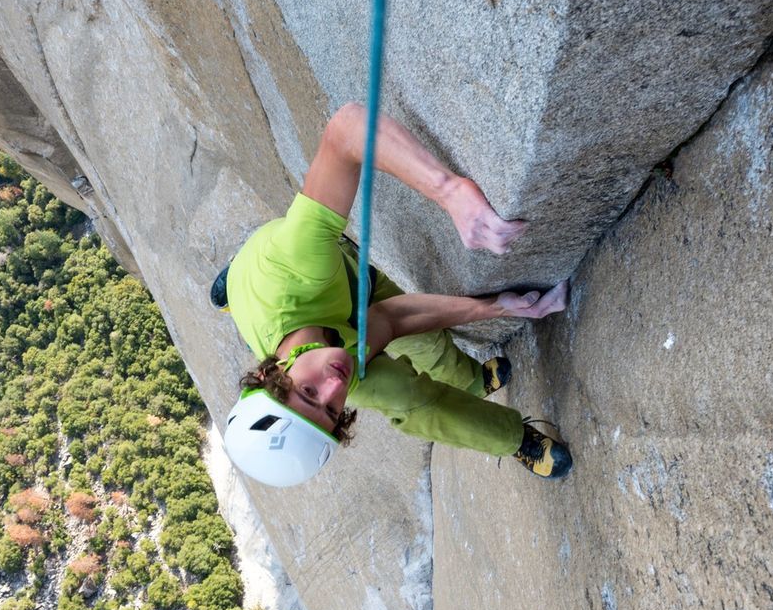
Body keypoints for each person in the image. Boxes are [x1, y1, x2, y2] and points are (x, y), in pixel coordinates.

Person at [217, 102, 571, 487]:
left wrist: (450, 191)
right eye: (334, 412)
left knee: (420, 337)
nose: (336, 386)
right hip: (330, 313)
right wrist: (496, 308)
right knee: (408, 398)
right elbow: (396, 319)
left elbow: (347, 129)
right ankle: (505, 427)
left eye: (308, 392)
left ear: (271, 373)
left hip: (304, 279)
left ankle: (231, 280)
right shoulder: (333, 372)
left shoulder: (294, 268)